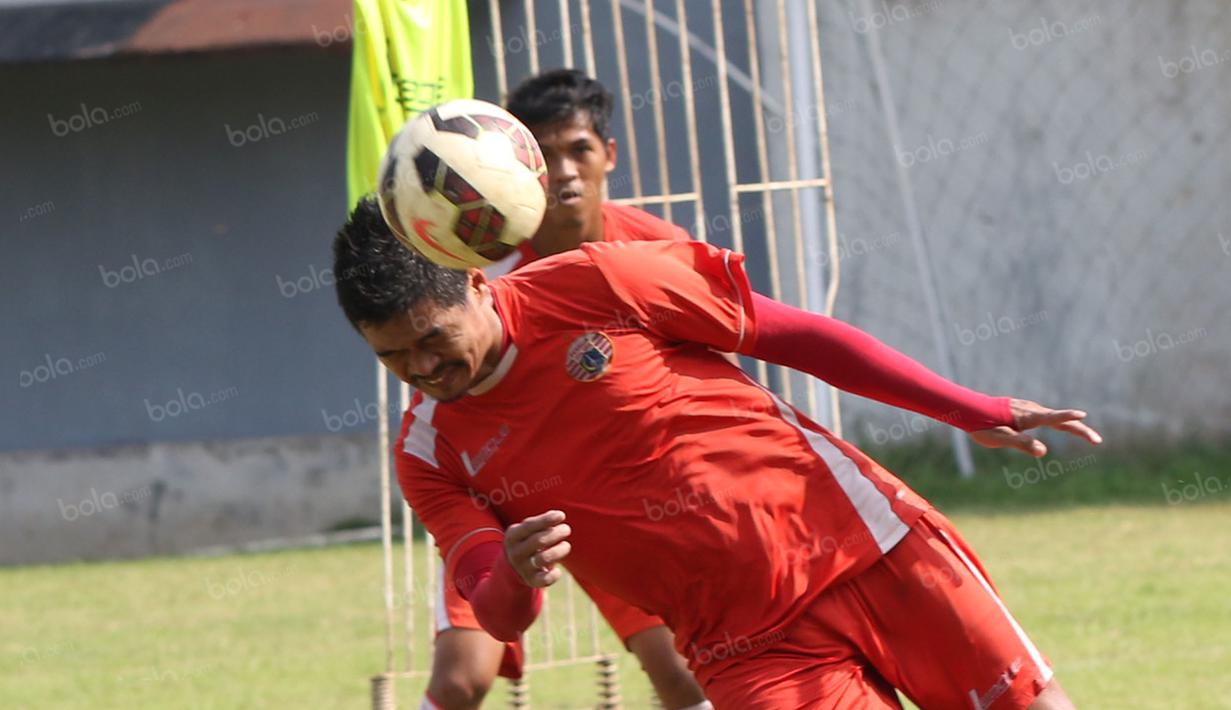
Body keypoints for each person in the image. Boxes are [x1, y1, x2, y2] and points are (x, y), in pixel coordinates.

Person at [333, 188, 1101, 708]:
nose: (423, 369)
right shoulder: (429, 453)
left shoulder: (597, 283)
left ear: (473, 283)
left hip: (869, 545)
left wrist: (964, 407)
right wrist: (514, 572)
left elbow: (795, 335)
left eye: (433, 340)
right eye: (394, 358)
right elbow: (497, 610)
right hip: (747, 649)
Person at [409, 68, 709, 710]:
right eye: (544, 154)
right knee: (461, 682)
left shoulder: (660, 249)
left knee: (685, 674)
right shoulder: (476, 274)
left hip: (617, 494)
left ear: (610, 155)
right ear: (521, 168)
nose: (566, 170)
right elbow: (434, 395)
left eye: (579, 148)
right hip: (500, 488)